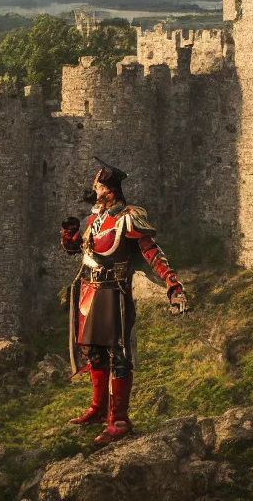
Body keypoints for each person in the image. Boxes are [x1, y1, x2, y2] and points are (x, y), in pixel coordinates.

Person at [60, 157, 190, 445]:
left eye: (98, 184)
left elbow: (151, 252)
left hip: (113, 295)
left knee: (118, 355)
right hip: (89, 292)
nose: (94, 187)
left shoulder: (128, 218)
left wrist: (172, 284)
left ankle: (119, 420)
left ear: (110, 189)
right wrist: (70, 237)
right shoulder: (96, 218)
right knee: (93, 351)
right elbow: (82, 250)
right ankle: (98, 409)